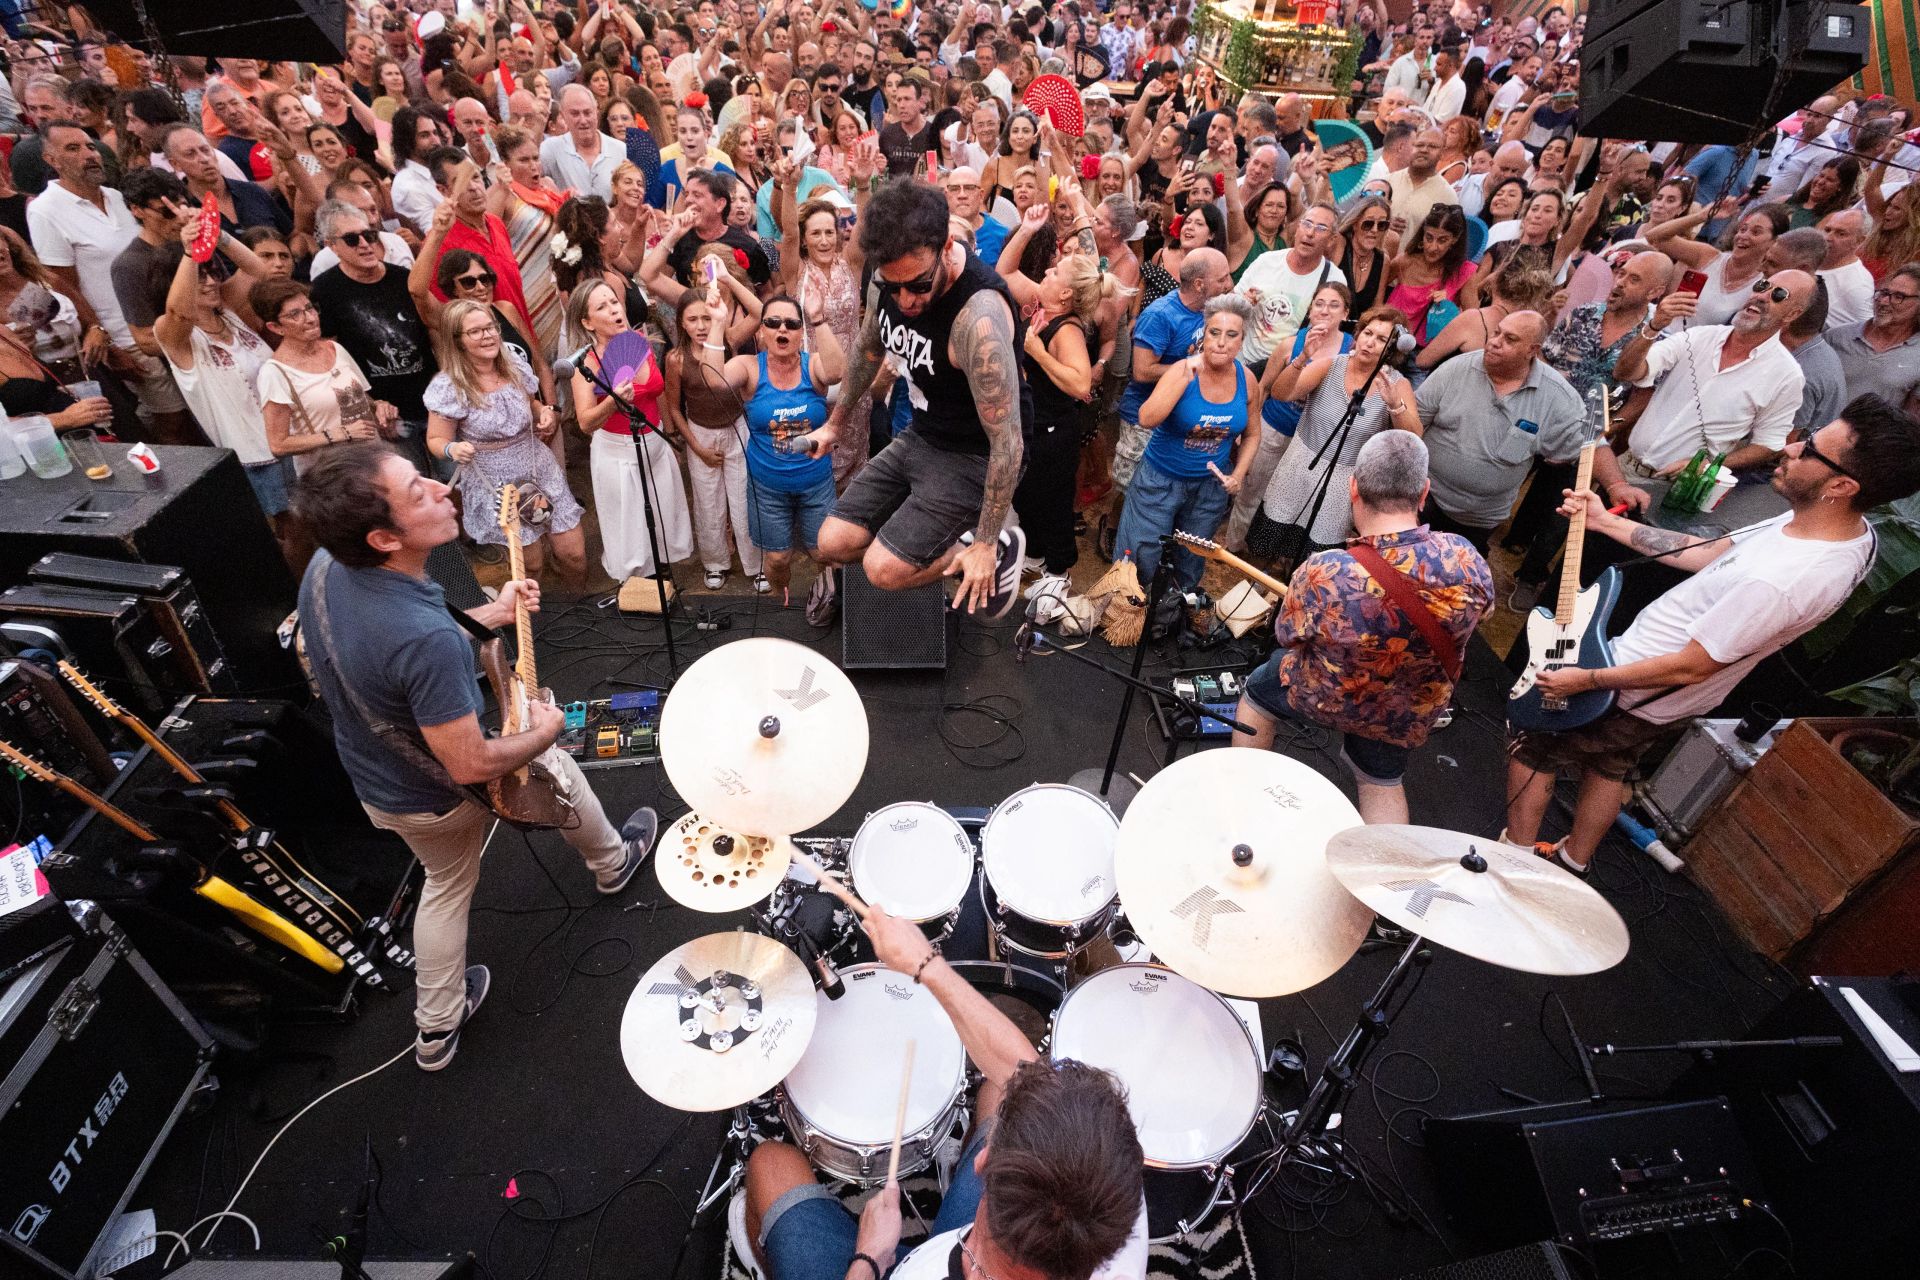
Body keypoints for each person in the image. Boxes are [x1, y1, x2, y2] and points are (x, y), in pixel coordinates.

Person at [292, 442, 658, 1071]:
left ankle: (435, 1030)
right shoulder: (424, 639)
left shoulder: (327, 565)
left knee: (445, 884)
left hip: (379, 783)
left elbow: (389, 658)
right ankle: (612, 862)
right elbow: (470, 764)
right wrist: (543, 734)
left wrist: (493, 613)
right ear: (383, 538)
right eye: (417, 493)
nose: (440, 489)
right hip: (440, 794)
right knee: (557, 765)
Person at [1505, 397, 1920, 873]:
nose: (1789, 449)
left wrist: (1587, 679)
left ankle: (1511, 859)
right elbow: (1713, 552)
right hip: (1655, 693)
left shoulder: (1786, 579)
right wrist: (1605, 521)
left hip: (1631, 687)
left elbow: (1694, 665)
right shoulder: (1836, 526)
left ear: (1843, 485)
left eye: (1809, 450)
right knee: (1609, 766)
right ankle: (1574, 860)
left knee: (1531, 746)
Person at [741, 904, 1147, 1280]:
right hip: (984, 1243)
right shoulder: (1114, 1208)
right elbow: (1026, 1075)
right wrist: (926, 966)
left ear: (985, 1165)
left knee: (771, 1164)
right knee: (998, 1094)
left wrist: (869, 1258)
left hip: (891, 1265)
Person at [1233, 431, 1492, 824]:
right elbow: (1483, 615)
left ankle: (1243, 805)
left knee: (1256, 694)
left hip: (1324, 694)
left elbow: (1288, 635)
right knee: (1380, 780)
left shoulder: (1326, 570)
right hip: (1404, 707)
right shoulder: (1465, 558)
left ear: (1353, 488)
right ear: (1424, 493)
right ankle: (1381, 877)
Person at [803, 180, 1035, 618]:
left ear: (946, 247)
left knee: (882, 571)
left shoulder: (978, 319)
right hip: (924, 434)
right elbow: (869, 347)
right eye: (895, 288)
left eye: (919, 285)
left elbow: (1008, 443)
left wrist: (984, 544)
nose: (906, 299)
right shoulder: (886, 278)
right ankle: (954, 540)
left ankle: (987, 545)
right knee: (832, 541)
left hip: (977, 454)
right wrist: (836, 423)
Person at [1593, 269, 1814, 510]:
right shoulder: (1698, 337)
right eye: (1762, 286)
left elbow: (1769, 444)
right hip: (1625, 469)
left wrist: (1708, 465)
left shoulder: (1786, 375)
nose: (1762, 296)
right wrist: (1653, 327)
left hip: (1680, 490)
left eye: (1779, 294)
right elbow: (1626, 372)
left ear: (1793, 314)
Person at [151, 212, 292, 548]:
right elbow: (178, 313)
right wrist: (189, 254)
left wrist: (215, 236)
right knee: (289, 537)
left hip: (296, 440)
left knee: (317, 526)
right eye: (200, 276)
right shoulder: (175, 335)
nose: (211, 281)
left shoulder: (228, 311)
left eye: (212, 272)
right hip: (256, 457)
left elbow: (259, 271)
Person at [424, 300, 584, 583]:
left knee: (573, 554)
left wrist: (543, 412)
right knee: (531, 566)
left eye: (490, 327)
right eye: (475, 331)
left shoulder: (513, 364)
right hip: (496, 484)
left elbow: (531, 403)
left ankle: (583, 604)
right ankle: (537, 620)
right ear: (458, 341)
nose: (487, 335)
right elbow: (435, 439)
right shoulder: (450, 386)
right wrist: (452, 448)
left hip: (537, 468)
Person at [1248, 305, 1422, 563]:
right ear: (1358, 334)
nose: (1370, 343)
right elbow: (1281, 393)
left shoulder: (1397, 384)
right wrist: (1301, 359)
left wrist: (1395, 405)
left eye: (1381, 339)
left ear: (1392, 350)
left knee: (1316, 558)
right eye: (1368, 333)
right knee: (1270, 544)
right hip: (1300, 465)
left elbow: (1413, 437)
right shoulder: (1330, 365)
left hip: (1343, 481)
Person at [1114, 293, 1261, 592]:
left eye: (1231, 335)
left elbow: (1253, 434)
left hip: (1208, 490)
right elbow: (1146, 418)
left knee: (1189, 562)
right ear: (1204, 335)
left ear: (1242, 340)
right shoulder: (1182, 370)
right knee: (1142, 555)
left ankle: (1170, 620)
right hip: (1160, 482)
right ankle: (1128, 617)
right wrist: (1181, 379)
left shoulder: (1247, 379)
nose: (1221, 342)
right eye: (1214, 333)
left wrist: (1237, 474)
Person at [1415, 310, 1587, 551]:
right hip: (1424, 498)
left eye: (1510, 339)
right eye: (1497, 332)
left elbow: (1582, 449)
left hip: (1481, 519)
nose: (1495, 342)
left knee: (1452, 581)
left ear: (1532, 350)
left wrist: (1615, 486)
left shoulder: (1558, 398)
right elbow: (1414, 423)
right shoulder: (1456, 369)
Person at [720, 295, 845, 612]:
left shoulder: (812, 364)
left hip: (815, 483)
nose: (782, 330)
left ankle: (826, 598)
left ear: (801, 332)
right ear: (760, 331)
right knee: (777, 559)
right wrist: (715, 321)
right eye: (772, 323)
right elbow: (715, 380)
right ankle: (782, 601)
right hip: (767, 487)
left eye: (791, 324)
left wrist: (818, 318)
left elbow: (837, 372)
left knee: (824, 554)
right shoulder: (749, 367)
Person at [567, 277, 695, 585]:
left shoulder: (639, 342)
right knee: (633, 534)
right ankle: (642, 598)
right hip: (618, 456)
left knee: (662, 528)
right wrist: (612, 402)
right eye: (602, 306)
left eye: (614, 301)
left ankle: (664, 593)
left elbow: (658, 391)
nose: (614, 310)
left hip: (655, 444)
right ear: (587, 322)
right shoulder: (587, 364)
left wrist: (668, 438)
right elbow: (585, 423)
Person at [309, 200, 437, 463]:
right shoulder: (324, 291)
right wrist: (371, 406)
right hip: (387, 415)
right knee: (411, 486)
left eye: (369, 235)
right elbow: (329, 360)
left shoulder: (404, 278)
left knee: (456, 478)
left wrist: (445, 383)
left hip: (434, 403)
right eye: (351, 239)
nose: (365, 244)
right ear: (331, 246)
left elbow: (435, 331)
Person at [664, 289, 765, 593]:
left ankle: (755, 564)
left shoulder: (729, 341)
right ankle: (715, 563)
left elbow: (759, 313)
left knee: (744, 501)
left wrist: (729, 281)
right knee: (708, 504)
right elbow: (673, 407)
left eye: (706, 317)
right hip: (700, 434)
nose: (701, 325)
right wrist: (695, 447)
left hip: (736, 429)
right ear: (681, 324)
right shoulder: (676, 359)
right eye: (692, 319)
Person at [1115, 247, 1233, 490]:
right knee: (1132, 488)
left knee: (1159, 489)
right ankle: (1116, 529)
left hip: (1176, 418)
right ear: (1200, 284)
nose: (1229, 284)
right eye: (1222, 279)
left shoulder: (1208, 310)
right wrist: (1191, 368)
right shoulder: (1161, 315)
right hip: (1142, 417)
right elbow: (1142, 371)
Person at [1236, 202, 1346, 373]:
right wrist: (1243, 302)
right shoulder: (1266, 262)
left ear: (1332, 239)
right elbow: (1232, 305)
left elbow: (1328, 334)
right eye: (1307, 224)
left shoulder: (1334, 279)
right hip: (1243, 360)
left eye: (1320, 228)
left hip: (1287, 368)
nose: (1310, 233)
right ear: (1297, 227)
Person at [1828, 262, 1920, 417]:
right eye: (1884, 293)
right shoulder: (1836, 337)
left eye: (1899, 297)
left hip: (1873, 440)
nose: (1884, 302)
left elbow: (1911, 421)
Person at [540, 84, 622, 201]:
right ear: (563, 116)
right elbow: (528, 177)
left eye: (588, 113)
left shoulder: (620, 150)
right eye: (575, 114)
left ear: (596, 112)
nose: (583, 120)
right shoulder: (551, 148)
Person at [1817, 206, 1875, 331]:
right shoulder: (1809, 257)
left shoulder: (1859, 285)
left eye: (1841, 234)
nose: (1828, 237)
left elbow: (1864, 332)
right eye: (1827, 230)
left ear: (1859, 240)